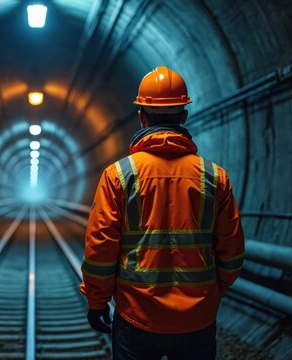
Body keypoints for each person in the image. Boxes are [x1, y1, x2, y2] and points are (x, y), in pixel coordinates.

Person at [79, 66, 245, 360]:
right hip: (198, 319)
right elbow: (231, 252)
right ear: (184, 116)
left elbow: (100, 249)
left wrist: (97, 301)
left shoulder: (119, 175)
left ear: (142, 115)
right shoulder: (214, 176)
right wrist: (211, 293)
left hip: (136, 317)